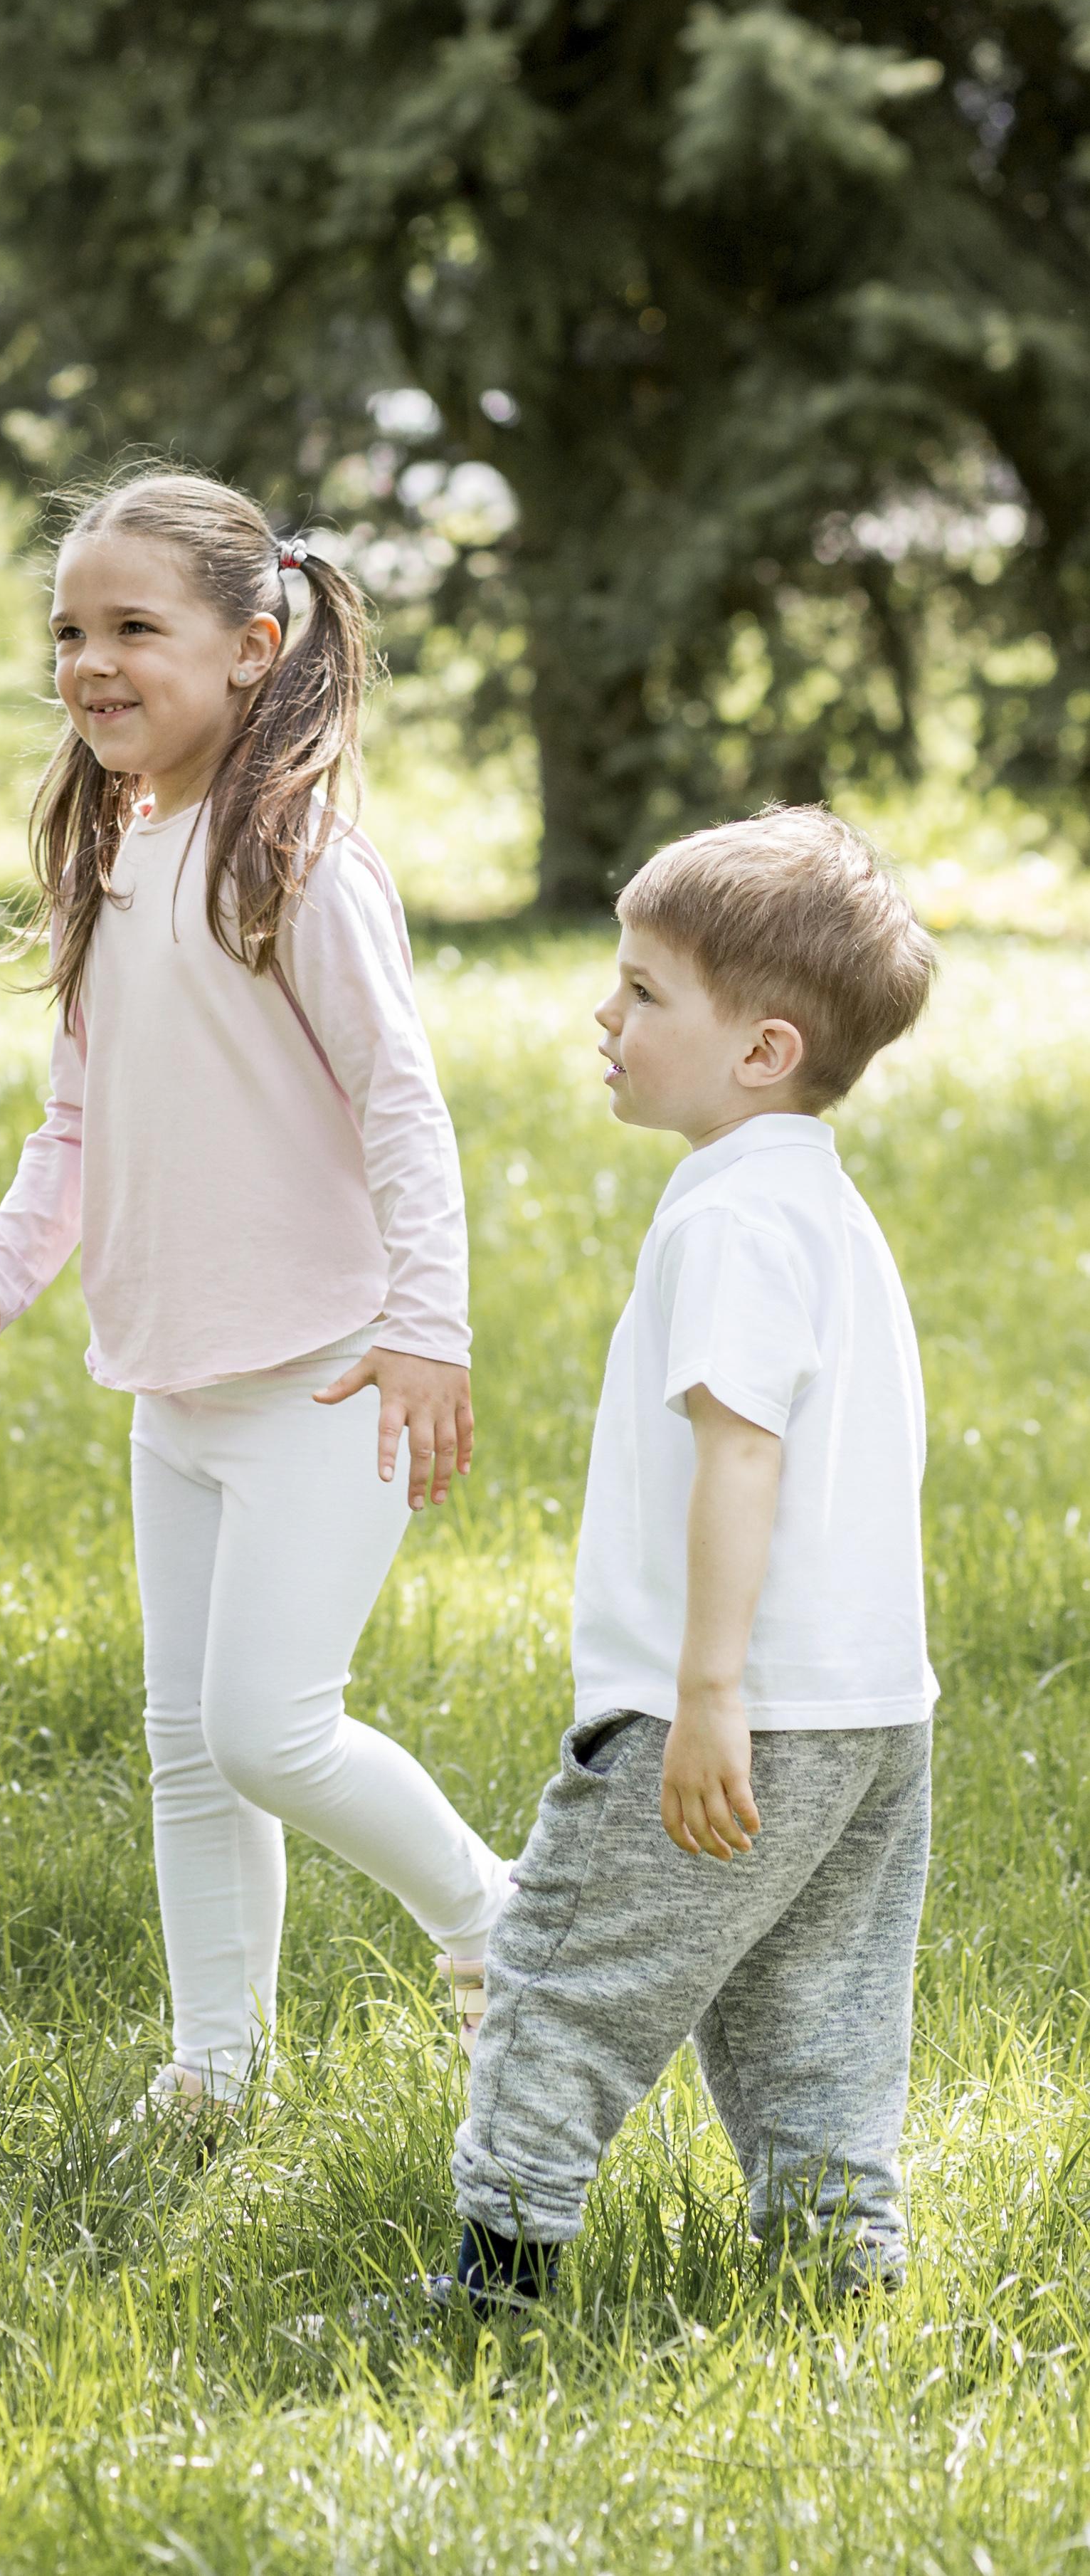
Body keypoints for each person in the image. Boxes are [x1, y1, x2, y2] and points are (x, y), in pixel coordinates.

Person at [0, 467, 508, 2113]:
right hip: (172, 1384)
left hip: (324, 1373)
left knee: (270, 1729)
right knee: (188, 1748)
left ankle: (497, 1921)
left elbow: (403, 1102)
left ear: (253, 647)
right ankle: (216, 2064)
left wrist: (425, 1333)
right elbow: (80, 1118)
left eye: (133, 630)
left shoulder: (299, 859)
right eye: (68, 634)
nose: (92, 664)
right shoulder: (118, 845)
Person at [443, 806, 938, 2305]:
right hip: (871, 1714)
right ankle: (840, 2275)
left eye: (646, 991)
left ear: (765, 1050)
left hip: (721, 1706)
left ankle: (494, 2290)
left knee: (558, 1985)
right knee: (819, 2015)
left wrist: (704, 1691)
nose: (608, 1013)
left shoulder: (731, 1221)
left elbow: (742, 1453)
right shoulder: (822, 1208)